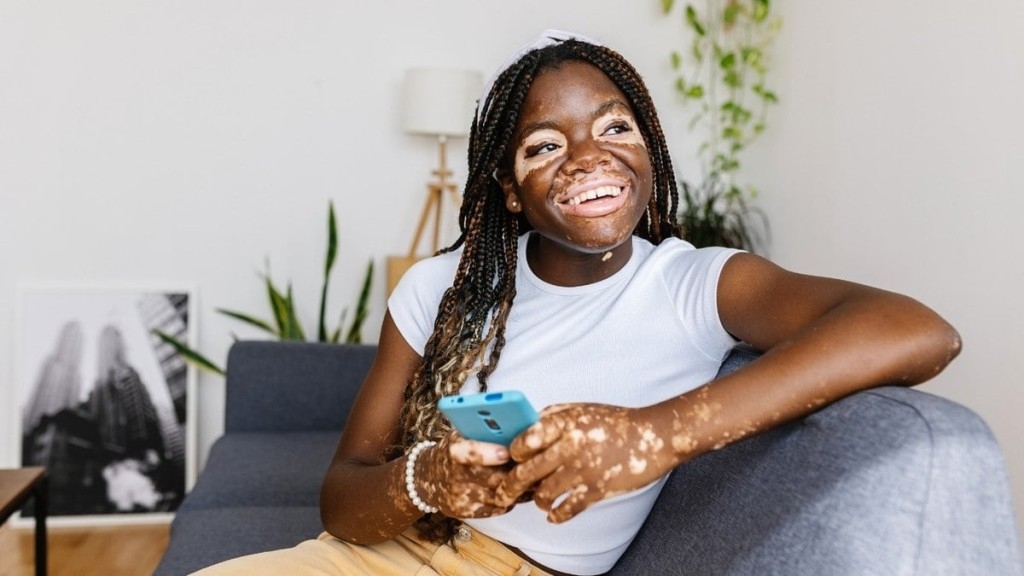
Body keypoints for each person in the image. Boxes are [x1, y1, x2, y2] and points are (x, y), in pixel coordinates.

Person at [197, 30, 960, 576]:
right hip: (388, 552)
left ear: (647, 153)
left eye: (614, 129)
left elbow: (918, 331)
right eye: (543, 146)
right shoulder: (440, 288)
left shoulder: (693, 284)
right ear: (510, 191)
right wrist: (428, 478)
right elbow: (343, 495)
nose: (588, 156)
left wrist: (654, 436)